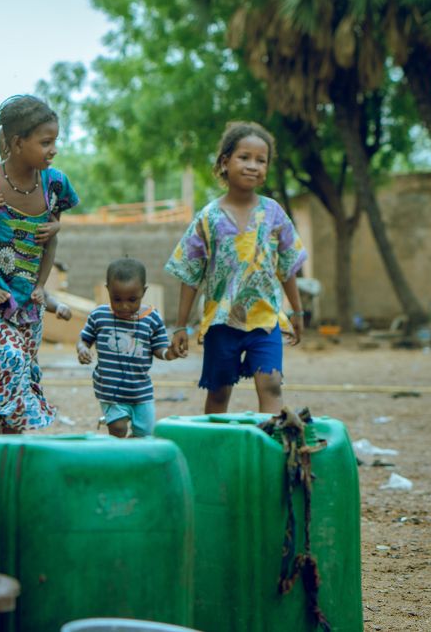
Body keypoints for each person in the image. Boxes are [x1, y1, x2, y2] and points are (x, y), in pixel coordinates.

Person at [0, 95, 79, 433]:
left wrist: (40, 287)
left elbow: (51, 236)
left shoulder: (55, 184)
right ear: (18, 143)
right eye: (45, 142)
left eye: (55, 141)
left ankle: (11, 440)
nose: (53, 149)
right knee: (11, 354)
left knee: (25, 368)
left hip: (26, 295)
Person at [165, 121, 306, 415]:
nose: (253, 165)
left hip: (265, 320)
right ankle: (215, 456)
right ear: (225, 162)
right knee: (218, 394)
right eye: (244, 157)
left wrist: (297, 311)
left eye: (261, 160)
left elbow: (288, 267)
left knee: (271, 386)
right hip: (221, 323)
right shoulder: (208, 217)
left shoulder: (274, 213)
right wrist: (180, 325)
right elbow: (190, 275)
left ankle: (271, 454)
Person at [77, 258, 177, 438]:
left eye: (132, 300)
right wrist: (82, 349)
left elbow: (159, 348)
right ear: (108, 290)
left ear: (144, 292)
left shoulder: (152, 318)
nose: (124, 306)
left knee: (144, 434)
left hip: (141, 392)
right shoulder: (99, 316)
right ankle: (118, 454)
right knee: (118, 429)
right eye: (117, 299)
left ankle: (129, 453)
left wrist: (169, 353)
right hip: (109, 390)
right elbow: (84, 339)